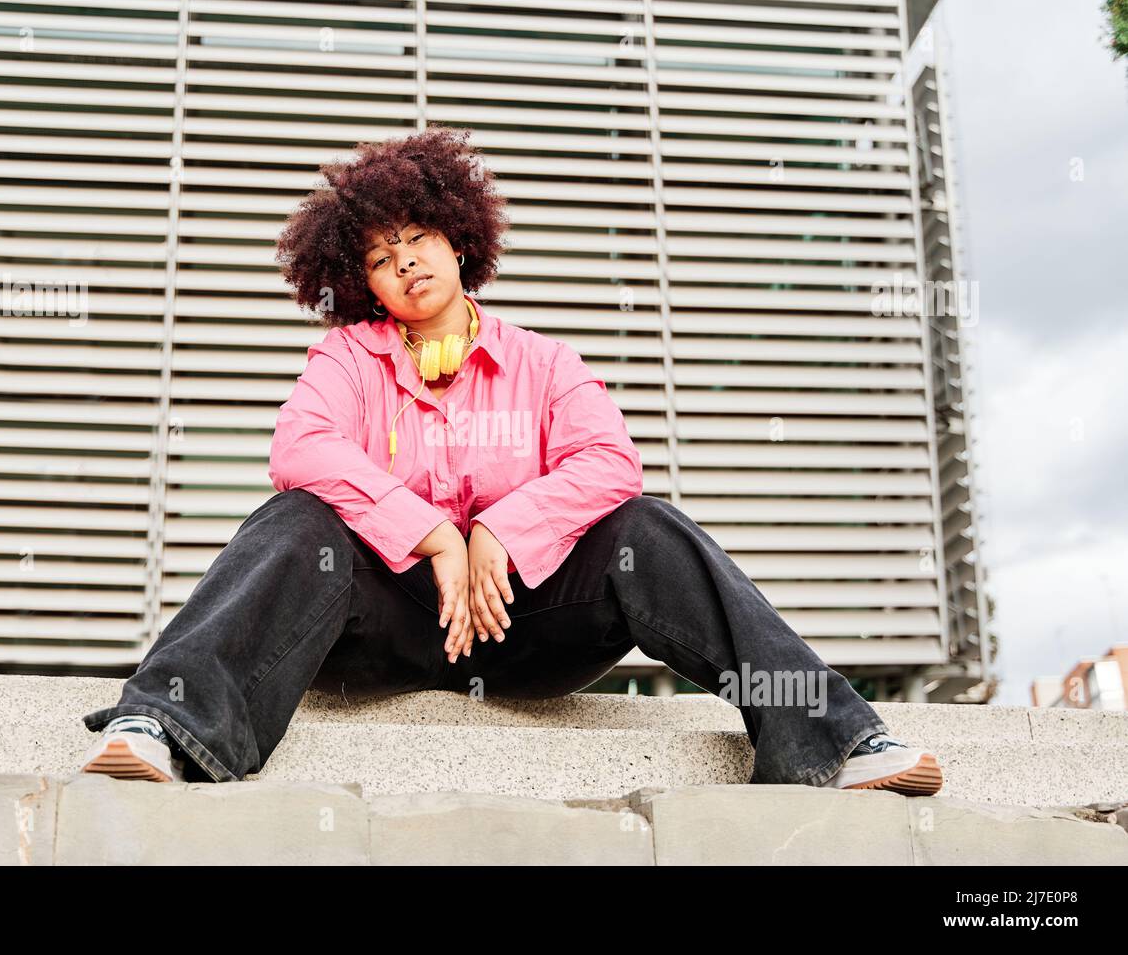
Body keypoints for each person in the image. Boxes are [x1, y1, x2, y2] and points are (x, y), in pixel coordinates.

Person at [79, 126, 943, 797]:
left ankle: (834, 740)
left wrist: (500, 528)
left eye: (417, 237)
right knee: (297, 520)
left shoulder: (542, 362)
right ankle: (163, 726)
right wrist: (430, 536)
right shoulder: (346, 361)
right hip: (383, 628)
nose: (405, 262)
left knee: (646, 529)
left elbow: (611, 460)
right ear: (363, 285)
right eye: (379, 258)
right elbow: (300, 447)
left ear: (458, 240)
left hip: (525, 630)